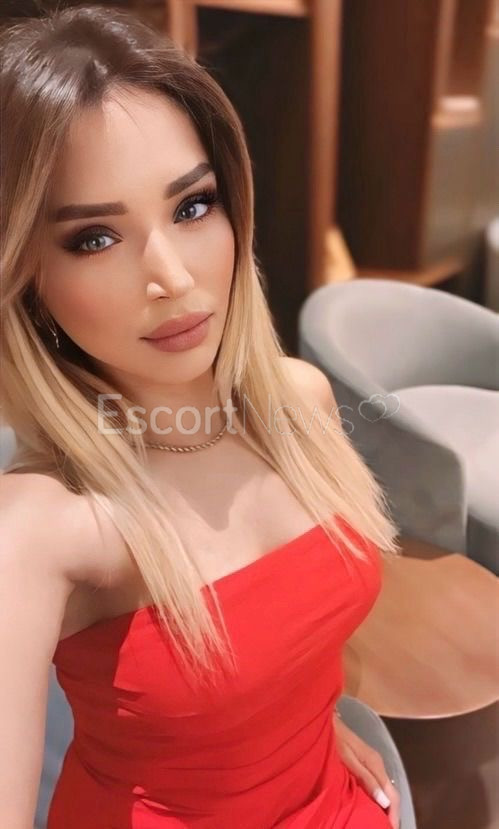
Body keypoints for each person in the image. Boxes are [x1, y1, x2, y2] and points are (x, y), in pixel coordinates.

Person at [0, 5, 402, 828]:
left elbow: (287, 640)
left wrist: (302, 720)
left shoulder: (298, 401)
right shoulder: (43, 526)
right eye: (93, 238)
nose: (173, 277)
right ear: (25, 276)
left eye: (191, 207)